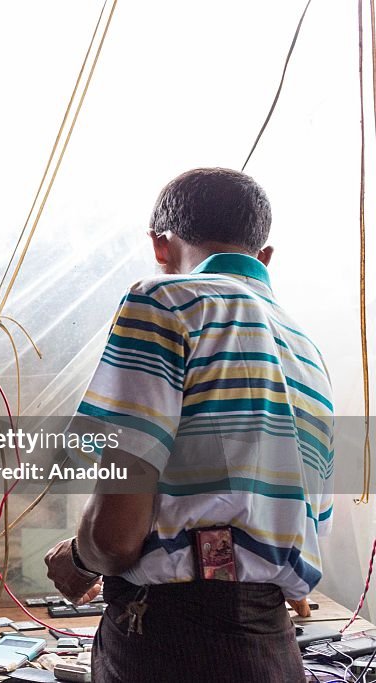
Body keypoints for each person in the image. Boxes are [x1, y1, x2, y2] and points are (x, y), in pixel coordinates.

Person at [43, 168, 334, 683]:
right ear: (263, 257)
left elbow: (115, 538)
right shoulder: (309, 352)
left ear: (161, 246)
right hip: (272, 648)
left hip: (171, 646)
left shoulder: (163, 302)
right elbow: (305, 557)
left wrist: (79, 560)